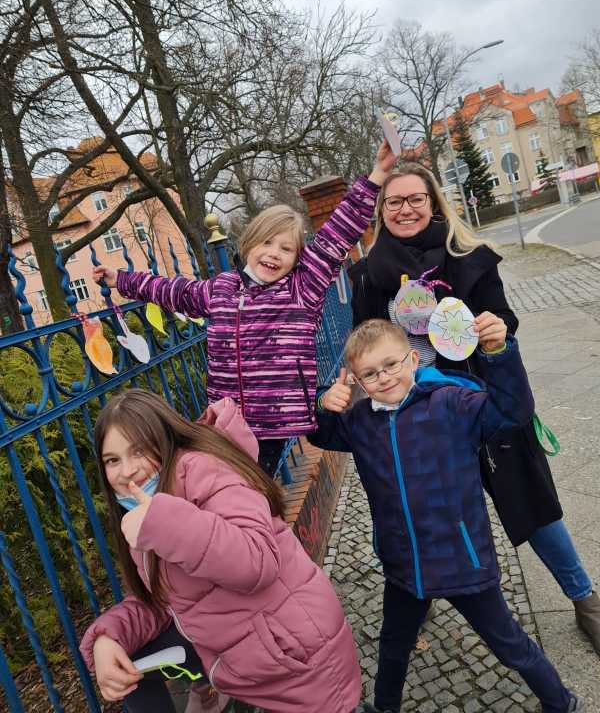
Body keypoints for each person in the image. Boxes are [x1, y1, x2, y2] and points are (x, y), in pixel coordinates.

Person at [347, 162, 600, 655]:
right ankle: (415, 598)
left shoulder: (472, 258)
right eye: (394, 201)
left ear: (433, 201)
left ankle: (585, 597)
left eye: (415, 198)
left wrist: (495, 333)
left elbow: (506, 319)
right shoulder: (367, 277)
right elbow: (361, 343)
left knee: (532, 501)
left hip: (481, 404)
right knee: (416, 514)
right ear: (381, 210)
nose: (405, 209)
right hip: (413, 420)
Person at [311, 318, 585, 713]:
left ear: (412, 358)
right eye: (370, 373)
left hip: (462, 560)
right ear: (356, 379)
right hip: (405, 564)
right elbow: (318, 433)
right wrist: (324, 402)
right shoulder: (359, 423)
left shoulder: (451, 404)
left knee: (508, 643)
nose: (384, 378)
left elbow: (512, 411)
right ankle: (385, 707)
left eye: (391, 364)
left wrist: (498, 353)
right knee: (393, 645)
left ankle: (560, 702)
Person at [92, 144, 396, 477]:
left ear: (297, 259)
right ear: (248, 244)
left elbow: (338, 233)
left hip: (272, 423)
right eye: (266, 243)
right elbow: (173, 291)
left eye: (286, 249)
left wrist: (377, 176)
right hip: (225, 420)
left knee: (253, 493)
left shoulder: (301, 288)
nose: (273, 254)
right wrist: (121, 279)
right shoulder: (222, 288)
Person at [79, 390, 362, 713]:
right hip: (242, 659)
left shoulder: (203, 469)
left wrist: (163, 523)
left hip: (298, 664)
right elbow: (165, 600)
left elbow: (257, 561)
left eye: (139, 451)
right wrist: (108, 636)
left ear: (166, 440)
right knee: (128, 660)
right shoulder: (143, 512)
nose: (127, 470)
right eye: (112, 460)